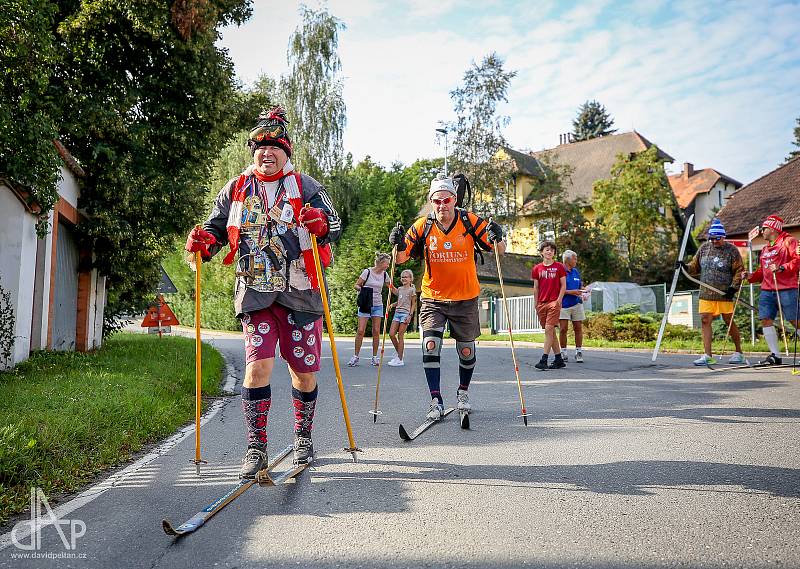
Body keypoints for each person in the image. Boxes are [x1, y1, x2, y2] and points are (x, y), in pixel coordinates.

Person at [184, 107, 341, 476]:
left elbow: (334, 226)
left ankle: (303, 439)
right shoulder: (237, 188)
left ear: (286, 152)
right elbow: (216, 230)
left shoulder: (307, 187)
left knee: (302, 372)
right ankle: (256, 449)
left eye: (274, 147)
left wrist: (320, 225)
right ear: (252, 151)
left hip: (301, 294)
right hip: (255, 293)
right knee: (256, 370)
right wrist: (202, 243)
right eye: (259, 147)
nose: (266, 153)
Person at [389, 175, 506, 420]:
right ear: (432, 202)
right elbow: (400, 259)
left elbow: (498, 250)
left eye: (447, 200)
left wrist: (498, 235)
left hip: (465, 298)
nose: (442, 205)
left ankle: (463, 392)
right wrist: (397, 244)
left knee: (466, 352)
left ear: (454, 200)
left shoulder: (469, 220)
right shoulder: (423, 225)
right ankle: (436, 400)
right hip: (433, 298)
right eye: (437, 201)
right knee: (430, 346)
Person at [682, 218, 745, 366]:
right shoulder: (704, 248)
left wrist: (733, 288)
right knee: (705, 320)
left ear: (723, 237)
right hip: (706, 293)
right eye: (712, 238)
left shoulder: (732, 251)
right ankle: (708, 355)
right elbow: (694, 267)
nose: (714, 241)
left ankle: (739, 352)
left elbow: (739, 271)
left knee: (728, 321)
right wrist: (684, 266)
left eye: (717, 238)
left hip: (724, 293)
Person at [744, 215, 799, 365]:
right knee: (765, 319)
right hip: (767, 290)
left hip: (787, 288)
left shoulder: (790, 241)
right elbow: (762, 271)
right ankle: (775, 355)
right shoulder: (764, 249)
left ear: (773, 228)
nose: (762, 231)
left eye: (764, 228)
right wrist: (750, 276)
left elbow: (798, 259)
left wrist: (782, 268)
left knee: (795, 320)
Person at [349, 253, 395, 367]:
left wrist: (403, 293)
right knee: (360, 330)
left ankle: (374, 357)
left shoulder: (385, 275)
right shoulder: (367, 272)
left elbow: (391, 288)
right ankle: (355, 356)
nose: (388, 265)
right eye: (387, 263)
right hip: (365, 304)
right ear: (381, 262)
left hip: (378, 305)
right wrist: (363, 290)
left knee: (376, 331)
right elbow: (356, 285)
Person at [532, 241, 567, 370]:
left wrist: (559, 300)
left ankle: (544, 359)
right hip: (541, 303)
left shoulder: (559, 267)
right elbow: (536, 287)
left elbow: (563, 285)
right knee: (551, 332)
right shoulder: (537, 269)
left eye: (552, 250)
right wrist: (536, 303)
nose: (549, 252)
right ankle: (559, 359)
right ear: (542, 252)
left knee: (548, 329)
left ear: (554, 253)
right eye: (547, 249)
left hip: (554, 303)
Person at [558, 250, 586, 363]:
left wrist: (584, 291)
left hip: (576, 304)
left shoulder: (575, 272)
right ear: (568, 260)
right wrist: (572, 292)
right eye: (575, 259)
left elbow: (580, 286)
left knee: (578, 328)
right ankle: (563, 352)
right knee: (563, 329)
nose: (576, 261)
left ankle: (578, 351)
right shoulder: (559, 272)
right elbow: (557, 290)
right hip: (563, 305)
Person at [387, 269, 417, 367]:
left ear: (410, 279)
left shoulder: (412, 290)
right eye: (402, 277)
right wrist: (392, 304)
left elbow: (413, 304)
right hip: (397, 313)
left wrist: (410, 315)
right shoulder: (400, 289)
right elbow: (400, 301)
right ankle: (399, 353)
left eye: (406, 277)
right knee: (391, 334)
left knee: (400, 335)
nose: (404, 278)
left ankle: (400, 359)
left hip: (405, 314)